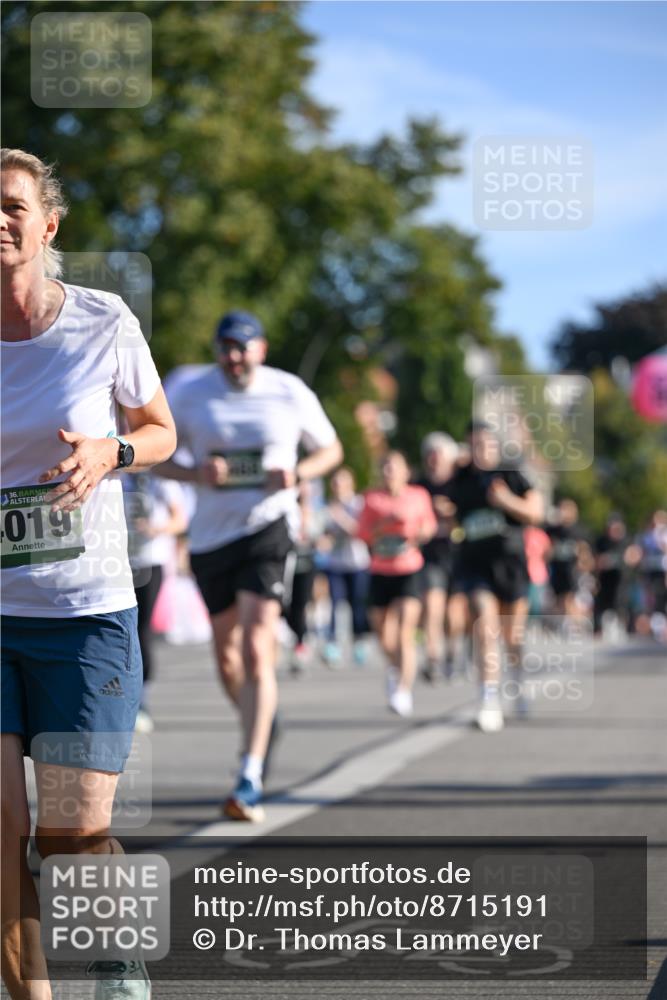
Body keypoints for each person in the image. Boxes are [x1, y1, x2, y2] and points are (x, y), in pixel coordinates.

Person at [1, 149, 176, 1000]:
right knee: (0, 833)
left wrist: (114, 451)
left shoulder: (102, 321)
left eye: (11, 206)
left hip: (83, 612)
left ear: (47, 224)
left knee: (70, 836)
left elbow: (161, 431)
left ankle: (116, 956)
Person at [156, 310, 342, 821]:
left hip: (268, 527)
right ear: (217, 350)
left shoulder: (289, 390)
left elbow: (331, 450)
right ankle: (260, 717)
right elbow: (152, 450)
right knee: (227, 660)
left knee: (259, 646)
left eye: (245, 347)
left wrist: (297, 474)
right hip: (213, 536)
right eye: (227, 347)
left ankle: (250, 773)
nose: (235, 357)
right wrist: (195, 473)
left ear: (261, 349)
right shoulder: (189, 392)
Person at [446, 421, 544, 732]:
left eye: (486, 445)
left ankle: (517, 680)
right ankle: (488, 700)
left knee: (512, 637)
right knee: (485, 628)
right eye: (474, 445)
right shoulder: (461, 481)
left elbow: (535, 513)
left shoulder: (511, 474)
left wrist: (504, 501)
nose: (481, 451)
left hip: (512, 566)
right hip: (476, 567)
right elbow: (448, 511)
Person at [357, 451, 437, 717]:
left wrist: (417, 531)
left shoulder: (418, 496)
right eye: (386, 467)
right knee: (383, 635)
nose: (390, 472)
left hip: (409, 569)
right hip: (381, 569)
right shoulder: (371, 499)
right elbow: (363, 534)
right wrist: (384, 526)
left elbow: (429, 527)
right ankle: (395, 667)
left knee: (405, 631)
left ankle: (403, 689)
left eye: (395, 467)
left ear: (406, 472)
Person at [123, 473, 187, 732]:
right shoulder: (118, 475)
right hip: (120, 560)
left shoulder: (162, 480)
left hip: (151, 560)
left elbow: (179, 520)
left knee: (142, 629)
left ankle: (142, 700)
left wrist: (155, 528)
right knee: (121, 630)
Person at [415, 433, 458, 681]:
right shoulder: (419, 486)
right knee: (432, 605)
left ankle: (451, 653)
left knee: (454, 614)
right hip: (430, 554)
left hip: (457, 553)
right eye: (430, 454)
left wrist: (450, 510)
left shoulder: (458, 482)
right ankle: (432, 658)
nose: (433, 459)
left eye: (438, 454)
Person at [320, 466, 370, 666]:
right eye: (335, 483)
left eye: (342, 482)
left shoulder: (359, 504)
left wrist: (339, 517)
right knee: (335, 603)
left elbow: (359, 531)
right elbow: (324, 534)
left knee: (358, 603)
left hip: (358, 562)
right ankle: (333, 643)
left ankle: (359, 641)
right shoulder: (327, 506)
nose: (338, 486)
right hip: (336, 563)